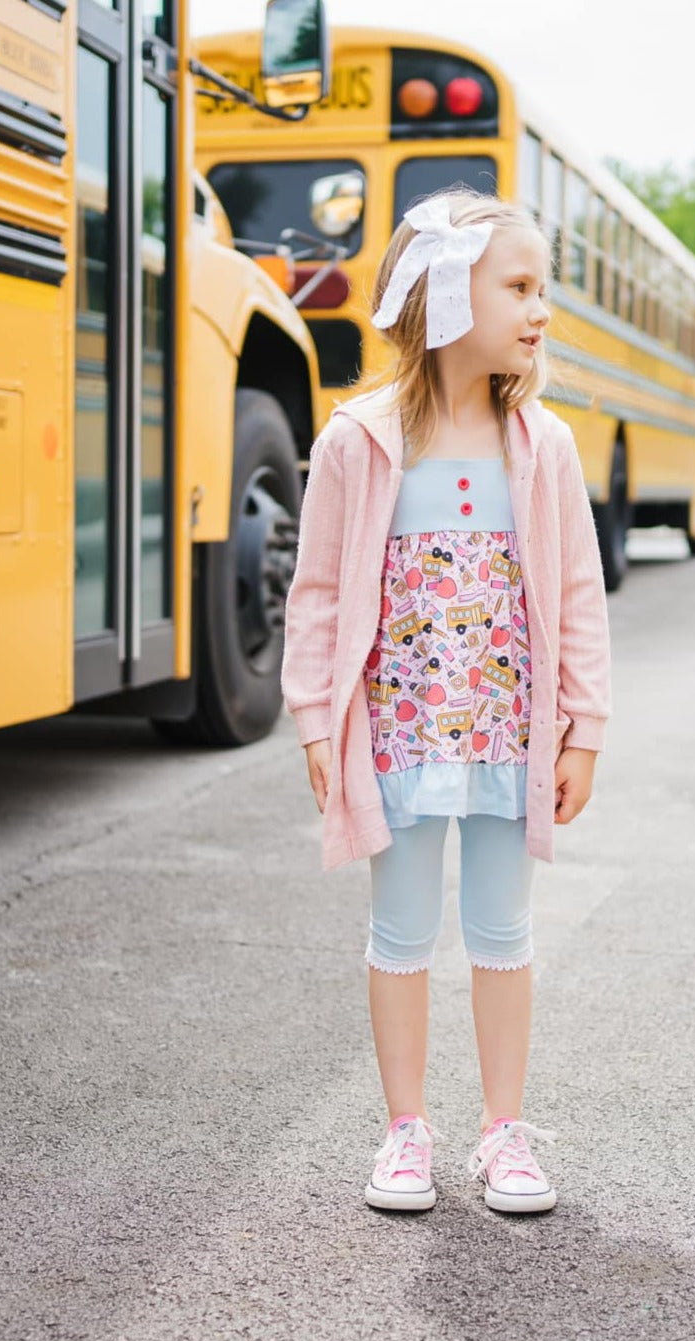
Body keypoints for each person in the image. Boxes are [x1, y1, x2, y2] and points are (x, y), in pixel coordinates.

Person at [281, 189, 611, 1214]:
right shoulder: (358, 438)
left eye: (539, 289)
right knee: (401, 928)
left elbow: (574, 593)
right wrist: (312, 722)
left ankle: (502, 1132)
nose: (539, 309)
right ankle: (404, 1131)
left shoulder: (541, 444)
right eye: (518, 286)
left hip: (509, 737)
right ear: (445, 291)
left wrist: (581, 730)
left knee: (502, 931)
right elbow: (321, 591)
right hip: (398, 733)